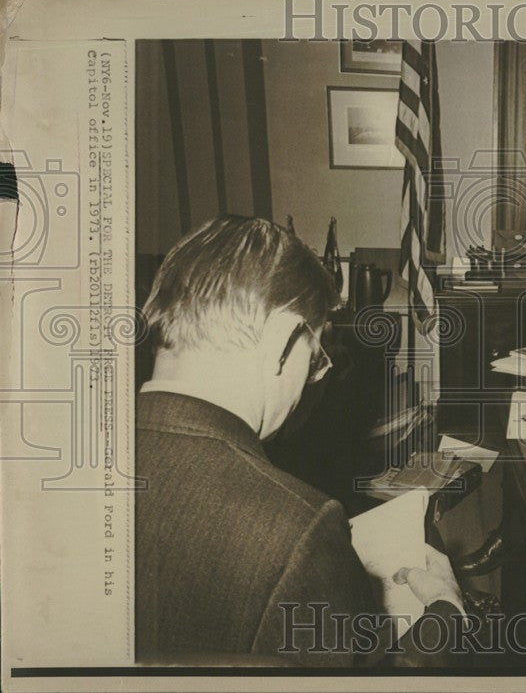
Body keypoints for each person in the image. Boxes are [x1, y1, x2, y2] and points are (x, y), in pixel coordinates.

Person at [135, 216, 465, 666]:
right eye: (315, 357)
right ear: (280, 340)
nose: (312, 379)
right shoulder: (299, 529)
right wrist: (444, 614)